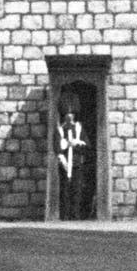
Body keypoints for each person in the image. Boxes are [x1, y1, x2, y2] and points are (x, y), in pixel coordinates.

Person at [56, 91, 89, 220]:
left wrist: (78, 144)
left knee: (77, 190)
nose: (69, 116)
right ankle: (64, 215)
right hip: (64, 164)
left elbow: (87, 146)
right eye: (67, 114)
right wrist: (63, 158)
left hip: (76, 162)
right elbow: (57, 146)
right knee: (65, 190)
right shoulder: (60, 129)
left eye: (71, 114)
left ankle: (75, 215)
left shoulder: (79, 128)